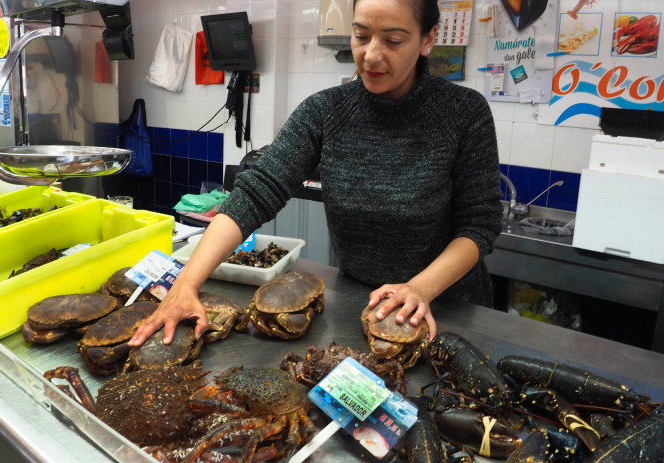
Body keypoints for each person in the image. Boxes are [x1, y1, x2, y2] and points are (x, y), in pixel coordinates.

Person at [129, 0, 502, 348]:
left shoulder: (463, 113)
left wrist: (420, 288)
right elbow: (258, 191)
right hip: (360, 302)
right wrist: (186, 283)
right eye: (360, 36)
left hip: (448, 306)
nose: (371, 54)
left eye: (393, 40)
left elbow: (479, 224)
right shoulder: (325, 111)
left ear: (428, 39)